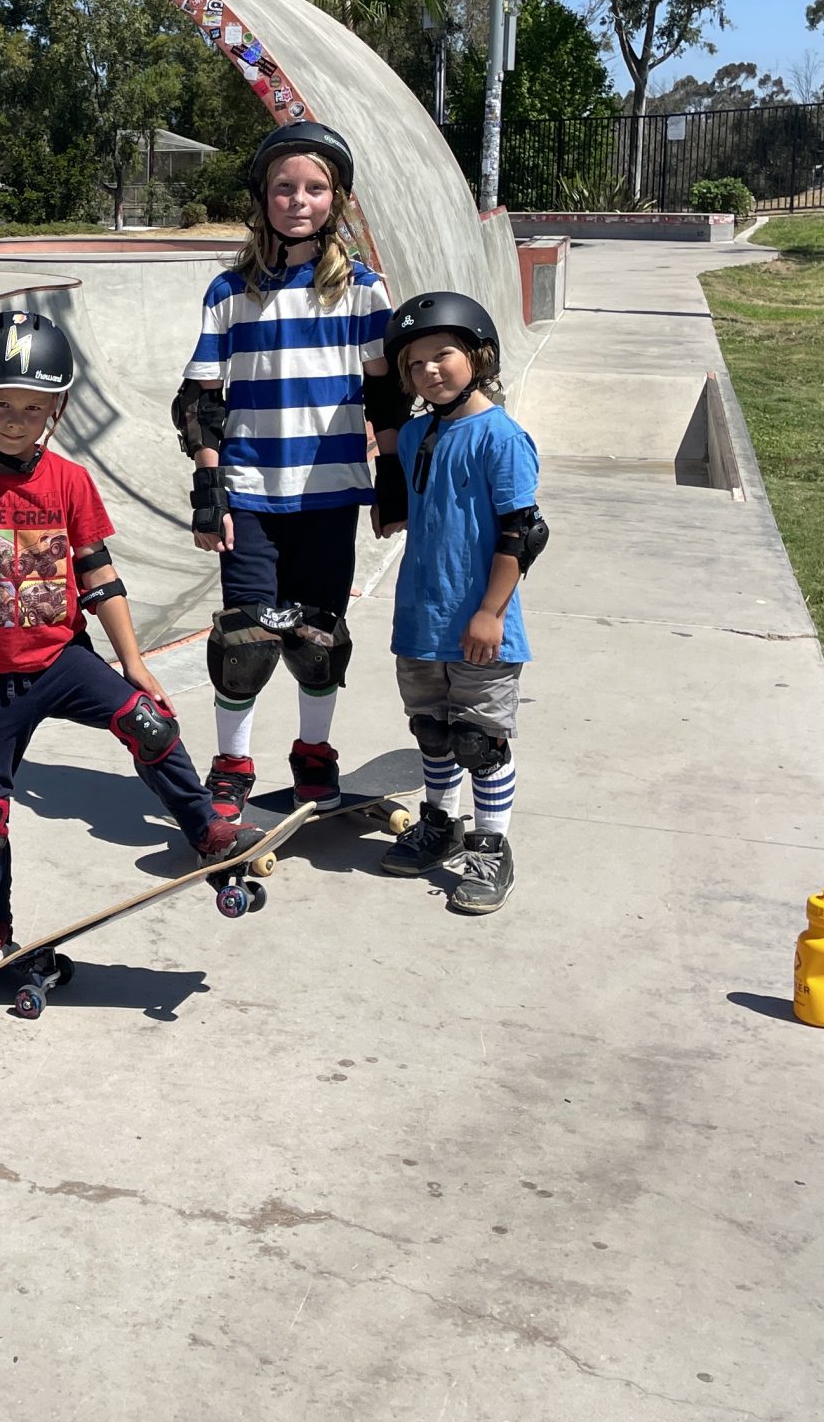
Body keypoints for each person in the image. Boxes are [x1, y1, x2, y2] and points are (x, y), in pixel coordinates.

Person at [0, 309, 239, 969]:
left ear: (55, 411)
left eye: (33, 409)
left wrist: (133, 661)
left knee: (149, 722)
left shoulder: (69, 482)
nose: (15, 420)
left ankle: (204, 825)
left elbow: (100, 577)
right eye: (0, 405)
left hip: (61, 660)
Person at [171, 121, 404, 834]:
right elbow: (202, 401)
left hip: (329, 497)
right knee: (243, 644)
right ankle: (233, 768)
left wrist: (391, 476)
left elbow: (386, 395)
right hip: (252, 496)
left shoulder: (363, 294)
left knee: (317, 639)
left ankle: (313, 756)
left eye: (314, 189)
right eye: (283, 188)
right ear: (262, 198)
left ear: (335, 200)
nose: (298, 201)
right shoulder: (230, 293)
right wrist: (211, 491)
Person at [372, 291, 546, 912]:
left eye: (442, 356)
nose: (429, 372)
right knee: (433, 733)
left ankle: (491, 849)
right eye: (415, 364)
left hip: (479, 623)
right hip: (421, 617)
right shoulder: (418, 431)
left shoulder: (500, 436)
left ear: (479, 355)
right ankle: (440, 824)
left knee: (481, 742)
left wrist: (490, 613)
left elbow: (521, 532)